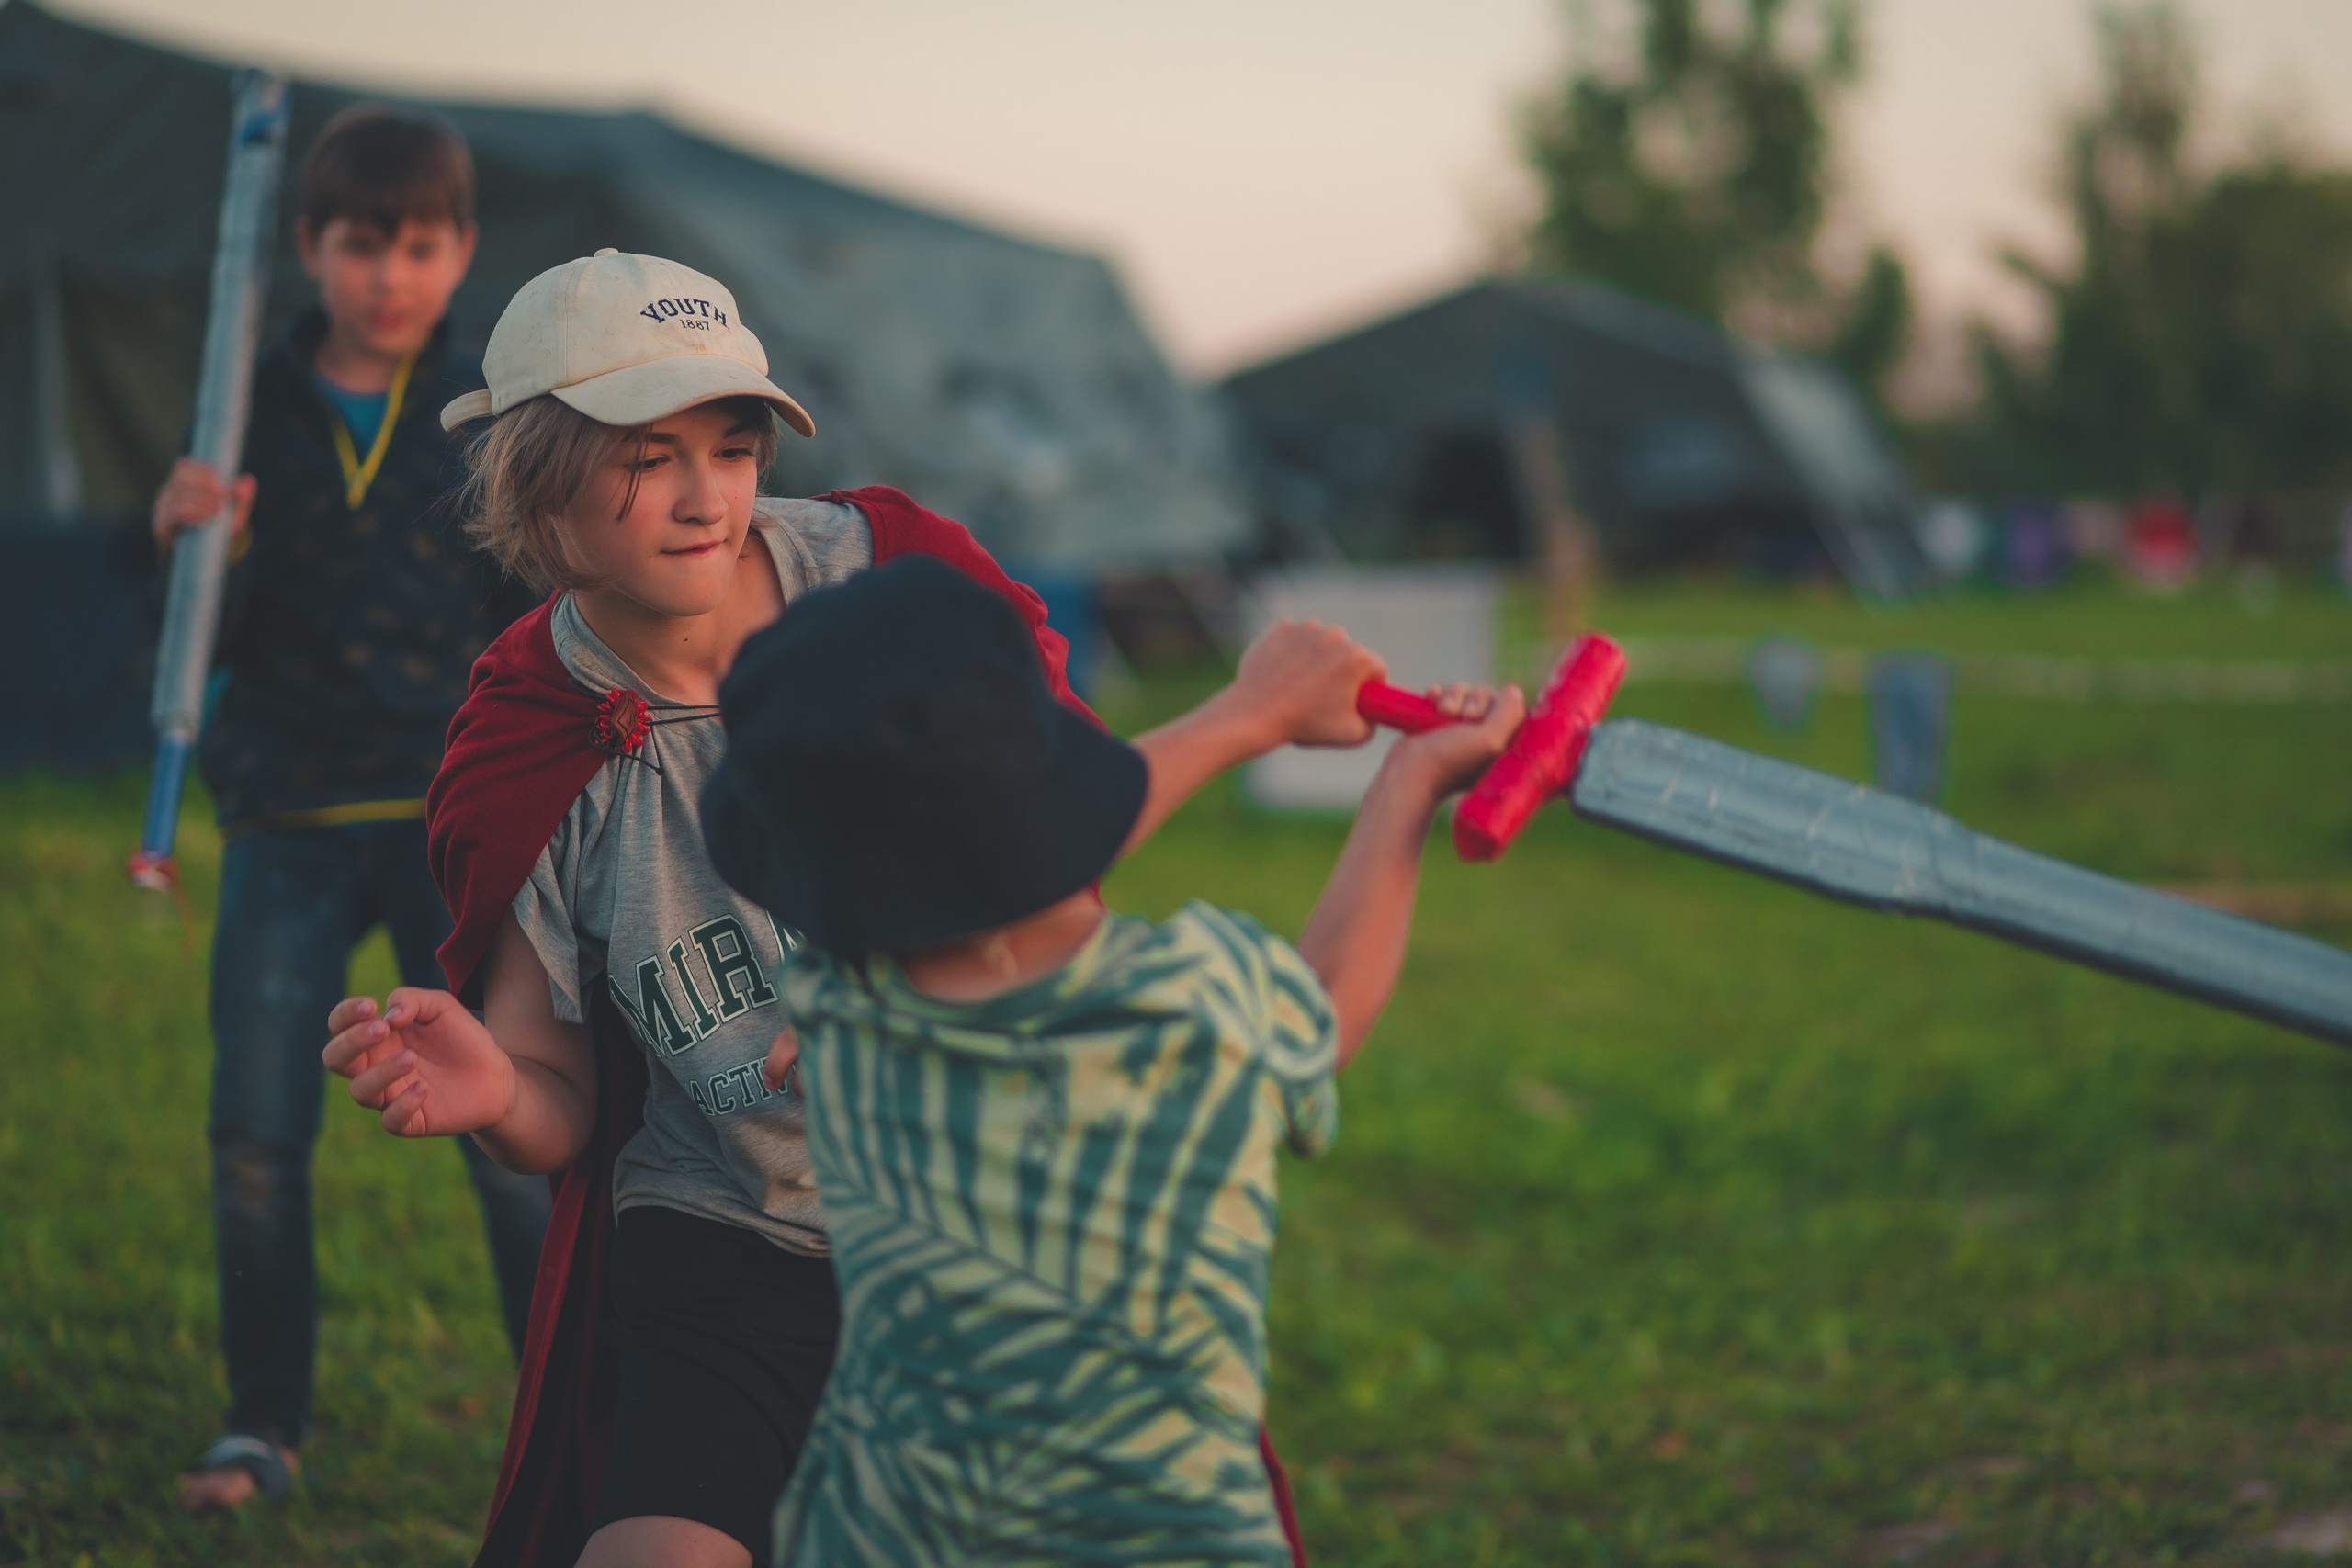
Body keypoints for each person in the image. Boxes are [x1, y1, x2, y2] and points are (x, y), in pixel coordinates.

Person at [320, 245, 1385, 1568]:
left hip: (968, 1212)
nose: (707, 493)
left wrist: (1250, 716)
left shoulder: (887, 587)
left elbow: (1044, 830)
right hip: (722, 1246)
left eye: (733, 440)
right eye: (649, 453)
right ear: (539, 474)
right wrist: (500, 1094)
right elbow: (563, 1093)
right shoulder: (526, 740)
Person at [695, 558, 1523, 1565]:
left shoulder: (837, 1012)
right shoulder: (1194, 1002)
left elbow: (966, 858)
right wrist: (1402, 776)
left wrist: (1251, 716)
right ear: (1049, 785)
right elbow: (1328, 1004)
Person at [154, 104, 551, 1513]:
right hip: (286, 814)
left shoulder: (491, 422)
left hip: (450, 822)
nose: (392, 271)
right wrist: (206, 542)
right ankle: (262, 1422)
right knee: (259, 1126)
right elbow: (203, 636)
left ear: (462, 255)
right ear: (310, 247)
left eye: (423, 244)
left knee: (511, 1134)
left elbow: (527, 621)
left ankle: (561, 1420)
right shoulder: (236, 411)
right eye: (362, 242)